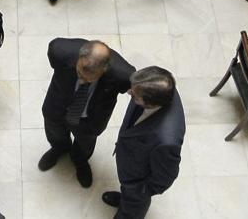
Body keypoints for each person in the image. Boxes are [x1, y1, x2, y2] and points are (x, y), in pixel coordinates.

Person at [38, 39, 134, 188]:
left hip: (91, 119)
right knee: (54, 131)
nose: (83, 80)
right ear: (78, 59)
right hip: (58, 106)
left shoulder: (122, 76)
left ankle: (80, 161)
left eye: (90, 79)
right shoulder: (59, 52)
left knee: (85, 143)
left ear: (104, 70)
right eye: (80, 73)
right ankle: (59, 148)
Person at [102, 66, 185, 219]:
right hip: (130, 168)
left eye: (134, 96)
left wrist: (140, 190)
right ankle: (125, 198)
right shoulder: (152, 85)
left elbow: (165, 177)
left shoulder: (166, 141)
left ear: (151, 103)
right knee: (128, 195)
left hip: (138, 181)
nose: (129, 93)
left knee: (134, 205)